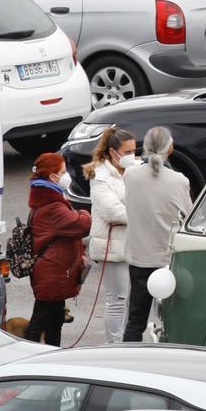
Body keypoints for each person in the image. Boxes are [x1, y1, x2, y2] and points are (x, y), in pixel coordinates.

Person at [122, 126, 191, 343]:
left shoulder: (130, 175)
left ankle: (126, 360)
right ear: (170, 148)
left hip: (139, 255)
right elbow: (188, 216)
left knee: (135, 319)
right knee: (171, 319)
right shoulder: (179, 180)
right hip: (167, 258)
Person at [24, 152, 89, 348]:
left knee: (54, 319)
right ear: (53, 177)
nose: (67, 174)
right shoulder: (52, 205)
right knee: (43, 320)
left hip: (53, 272)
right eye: (63, 171)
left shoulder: (47, 199)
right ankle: (29, 356)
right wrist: (83, 212)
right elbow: (82, 225)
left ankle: (51, 353)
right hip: (52, 273)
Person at [87, 125, 134, 343]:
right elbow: (113, 211)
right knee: (117, 299)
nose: (132, 156)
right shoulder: (100, 177)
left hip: (132, 243)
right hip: (111, 247)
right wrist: (143, 215)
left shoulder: (132, 170)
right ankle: (113, 344)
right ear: (112, 152)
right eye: (127, 152)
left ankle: (124, 341)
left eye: (134, 151)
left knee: (130, 299)